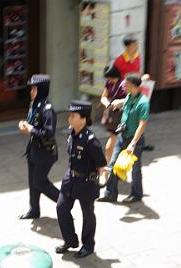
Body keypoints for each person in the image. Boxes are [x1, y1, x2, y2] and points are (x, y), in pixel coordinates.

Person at [56, 100, 107, 258]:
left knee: (88, 214)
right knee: (61, 208)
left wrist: (102, 181)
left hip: (86, 182)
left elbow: (101, 165)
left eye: (73, 116)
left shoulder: (91, 141)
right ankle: (70, 241)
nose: (69, 119)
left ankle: (88, 245)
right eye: (69, 115)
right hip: (70, 178)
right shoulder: (72, 133)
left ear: (83, 119)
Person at [97, 73, 149, 203]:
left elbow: (142, 126)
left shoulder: (143, 102)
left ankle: (137, 194)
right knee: (114, 164)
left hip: (134, 140)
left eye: (126, 84)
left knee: (135, 169)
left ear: (132, 85)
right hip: (122, 137)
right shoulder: (129, 97)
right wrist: (118, 103)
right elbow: (124, 102)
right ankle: (110, 193)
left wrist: (133, 143)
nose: (123, 86)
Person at [18, 74, 60, 220]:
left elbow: (49, 133)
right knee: (32, 181)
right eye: (31, 89)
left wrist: (30, 129)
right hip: (33, 149)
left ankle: (64, 202)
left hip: (46, 151)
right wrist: (24, 125)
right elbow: (32, 124)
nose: (31, 92)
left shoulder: (47, 109)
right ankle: (34, 209)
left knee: (39, 181)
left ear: (42, 90)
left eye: (34, 89)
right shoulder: (34, 104)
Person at [100, 66, 126, 162]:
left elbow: (130, 99)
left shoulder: (124, 84)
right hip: (113, 117)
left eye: (111, 78)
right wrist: (107, 104)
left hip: (122, 116)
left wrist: (120, 102)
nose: (109, 80)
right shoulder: (109, 83)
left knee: (119, 142)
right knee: (113, 140)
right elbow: (103, 97)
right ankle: (108, 164)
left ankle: (110, 165)